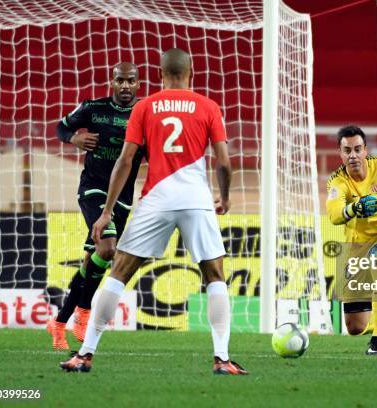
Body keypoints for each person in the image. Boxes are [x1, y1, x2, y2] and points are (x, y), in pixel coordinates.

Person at [60, 48, 247, 375]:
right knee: (215, 276)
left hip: (156, 198)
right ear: (191, 73)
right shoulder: (208, 106)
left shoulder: (145, 107)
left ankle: (85, 354)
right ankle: (222, 358)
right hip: (195, 198)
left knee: (118, 272)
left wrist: (106, 212)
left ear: (160, 74)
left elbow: (126, 160)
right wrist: (225, 197)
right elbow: (224, 163)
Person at [47, 62, 142, 350]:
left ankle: (60, 321)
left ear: (138, 85)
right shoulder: (92, 108)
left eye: (131, 81)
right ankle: (85, 313)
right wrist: (73, 138)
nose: (125, 86)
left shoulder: (143, 114)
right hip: (93, 190)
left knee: (93, 261)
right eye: (120, 81)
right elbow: (61, 127)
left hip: (123, 197)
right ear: (112, 83)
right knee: (108, 248)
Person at [326, 125, 377, 356]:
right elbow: (334, 216)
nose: (352, 155)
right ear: (340, 153)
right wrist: (355, 207)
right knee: (354, 326)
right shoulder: (337, 181)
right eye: (347, 151)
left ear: (365, 150)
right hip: (357, 243)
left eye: (357, 149)